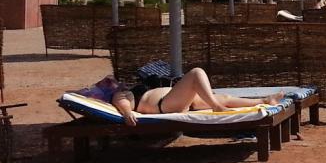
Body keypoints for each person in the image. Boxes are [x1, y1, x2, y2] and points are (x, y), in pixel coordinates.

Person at [81, 69, 283, 126]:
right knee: (196, 74)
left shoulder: (131, 89)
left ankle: (263, 101)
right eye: (112, 82)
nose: (117, 82)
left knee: (225, 97)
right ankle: (216, 107)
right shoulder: (123, 93)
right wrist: (126, 113)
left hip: (173, 102)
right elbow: (121, 100)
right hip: (164, 106)